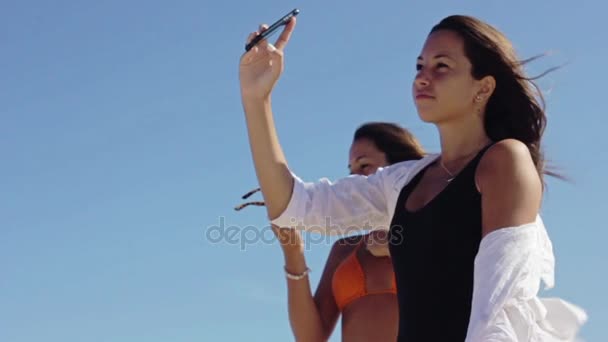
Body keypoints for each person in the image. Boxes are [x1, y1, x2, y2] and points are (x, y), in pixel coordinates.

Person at [238, 14, 586, 341]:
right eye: (420, 66)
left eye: (442, 67)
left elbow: (494, 307)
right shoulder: (402, 182)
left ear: (483, 87)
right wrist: (257, 100)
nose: (423, 77)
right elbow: (296, 206)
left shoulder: (503, 161)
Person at [238, 122, 424, 341]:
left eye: (364, 166)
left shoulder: (431, 230)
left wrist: (397, 246)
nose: (353, 180)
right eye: (351, 171)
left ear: (398, 169)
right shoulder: (345, 249)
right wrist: (293, 251)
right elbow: (311, 337)